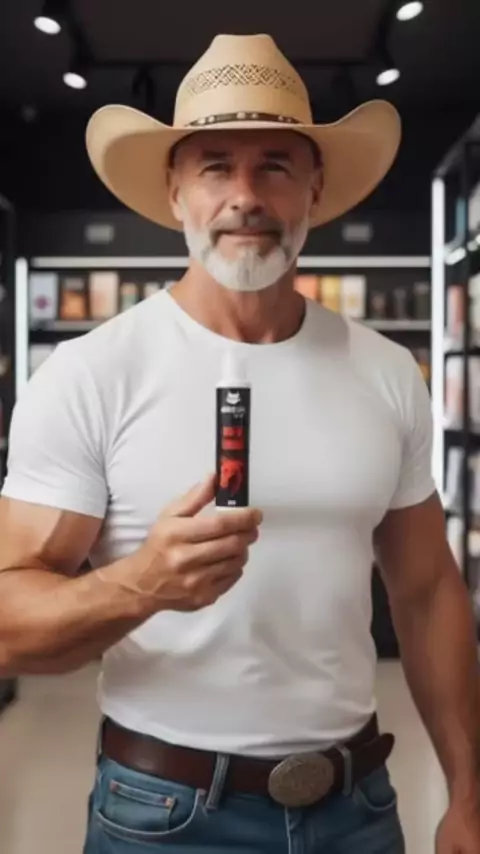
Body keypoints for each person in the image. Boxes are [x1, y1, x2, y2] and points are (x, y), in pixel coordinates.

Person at [0, 32, 479, 854]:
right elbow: (7, 620)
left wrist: (469, 791)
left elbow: (428, 588)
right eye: (216, 166)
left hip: (358, 809)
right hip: (162, 815)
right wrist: (140, 585)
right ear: (175, 189)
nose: (245, 196)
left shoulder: (387, 371)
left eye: (276, 166)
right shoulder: (91, 373)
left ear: (315, 187)